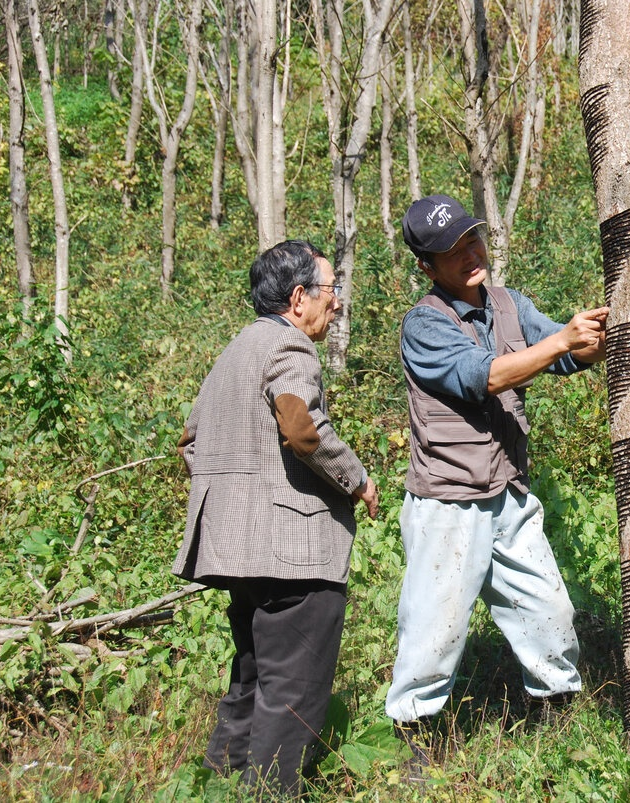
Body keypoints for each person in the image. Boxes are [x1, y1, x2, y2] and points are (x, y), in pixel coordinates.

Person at [385, 194, 608, 768]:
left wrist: (585, 342)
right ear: (427, 267)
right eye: (451, 251)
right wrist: (561, 341)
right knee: (436, 628)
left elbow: (557, 352)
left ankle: (556, 711)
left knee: (548, 609)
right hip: (448, 502)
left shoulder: (509, 304)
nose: (468, 255)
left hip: (507, 490)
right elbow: (479, 376)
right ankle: (418, 736)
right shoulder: (423, 326)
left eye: (472, 240)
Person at [173, 239, 380, 798]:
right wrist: (357, 479)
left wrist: (239, 501)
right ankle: (266, 795)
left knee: (253, 676)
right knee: (294, 690)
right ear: (298, 297)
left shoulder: (235, 349)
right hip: (294, 553)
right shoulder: (291, 349)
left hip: (238, 551)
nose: (337, 302)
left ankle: (218, 784)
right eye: (332, 289)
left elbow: (191, 442)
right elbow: (300, 429)